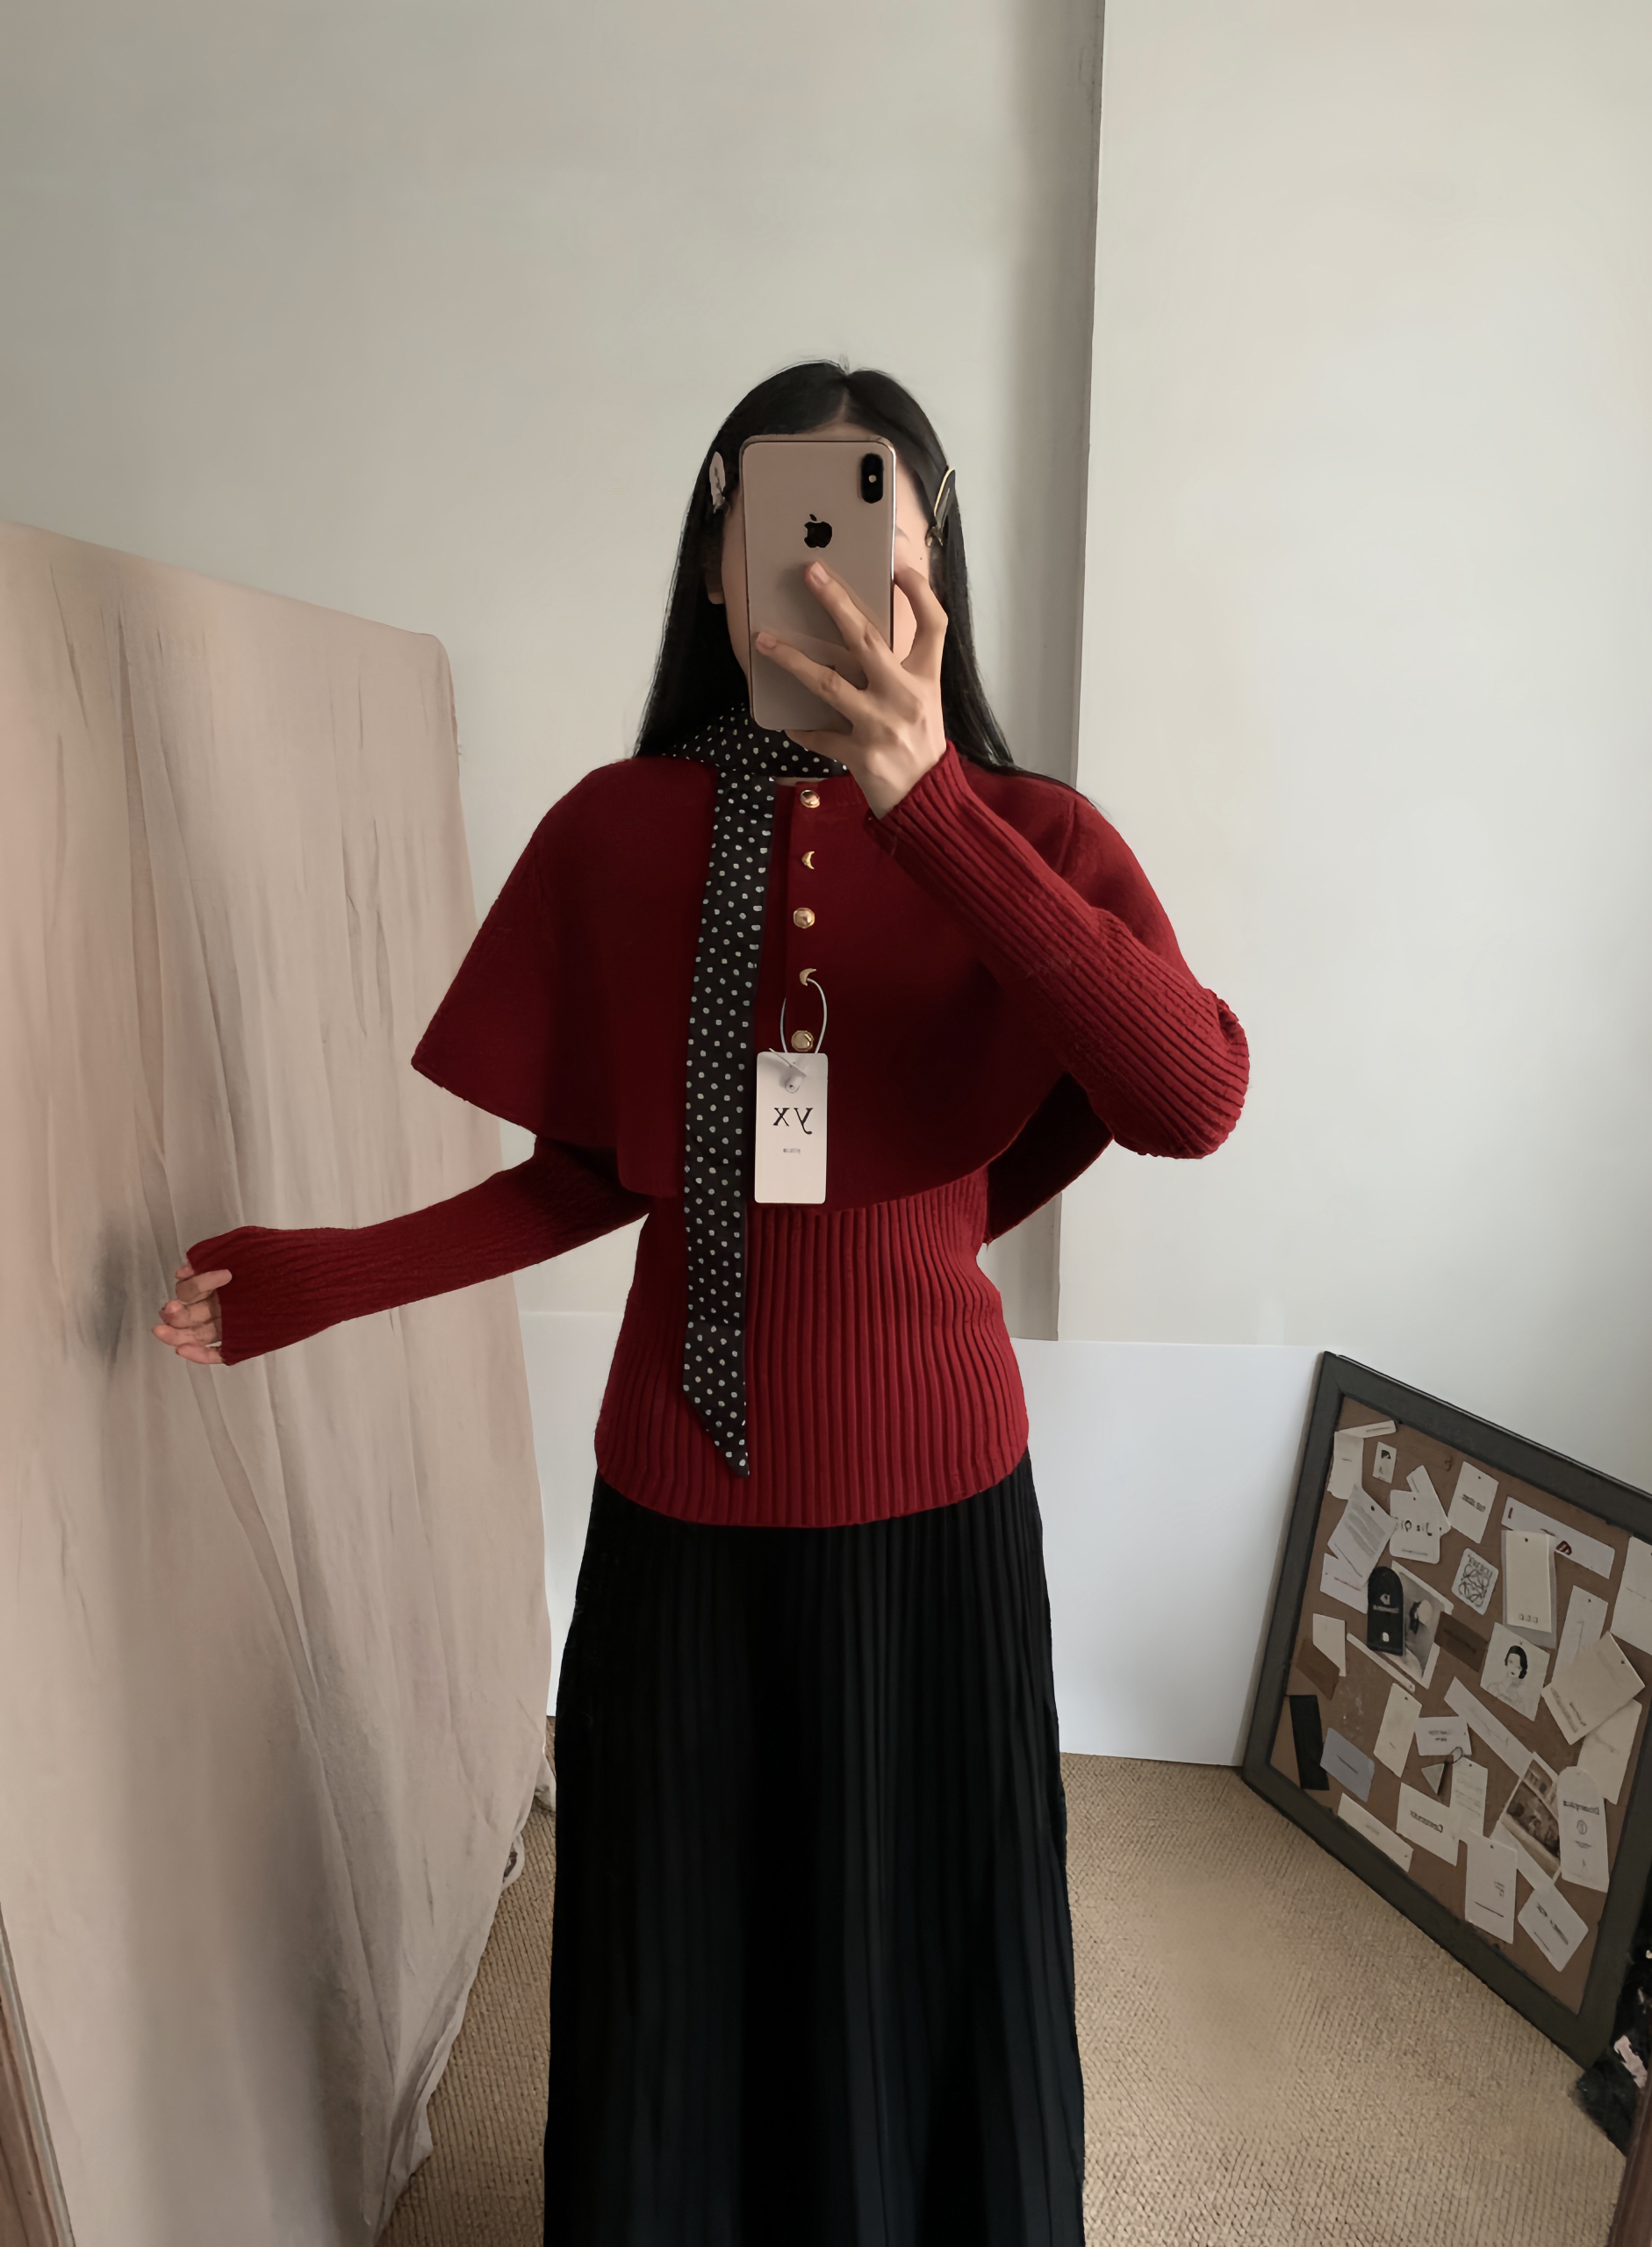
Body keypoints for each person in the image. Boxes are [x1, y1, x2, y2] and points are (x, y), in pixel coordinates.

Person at [153, 362, 1249, 2246]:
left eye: (873, 510)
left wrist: (928, 804)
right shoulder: (613, 833)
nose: (824, 554)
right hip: (677, 1499)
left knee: (916, 1950)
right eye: (780, 513)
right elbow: (599, 1171)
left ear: (933, 559)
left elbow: (1191, 1095)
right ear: (713, 559)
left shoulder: (1032, 838)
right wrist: (332, 1276)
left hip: (936, 1515)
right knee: (675, 1958)